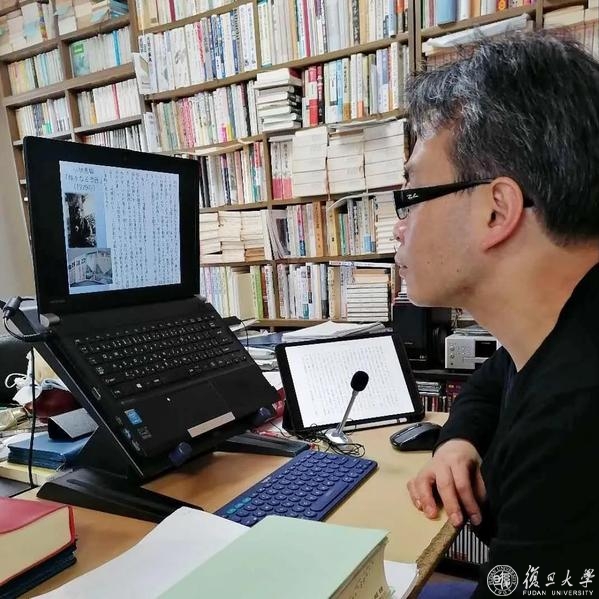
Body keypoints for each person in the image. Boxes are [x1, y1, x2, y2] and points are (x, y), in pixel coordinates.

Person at [393, 32, 599, 597]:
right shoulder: (556, 330)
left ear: (496, 210)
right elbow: (492, 378)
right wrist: (456, 441)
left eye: (411, 194)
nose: (398, 228)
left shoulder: (575, 419)